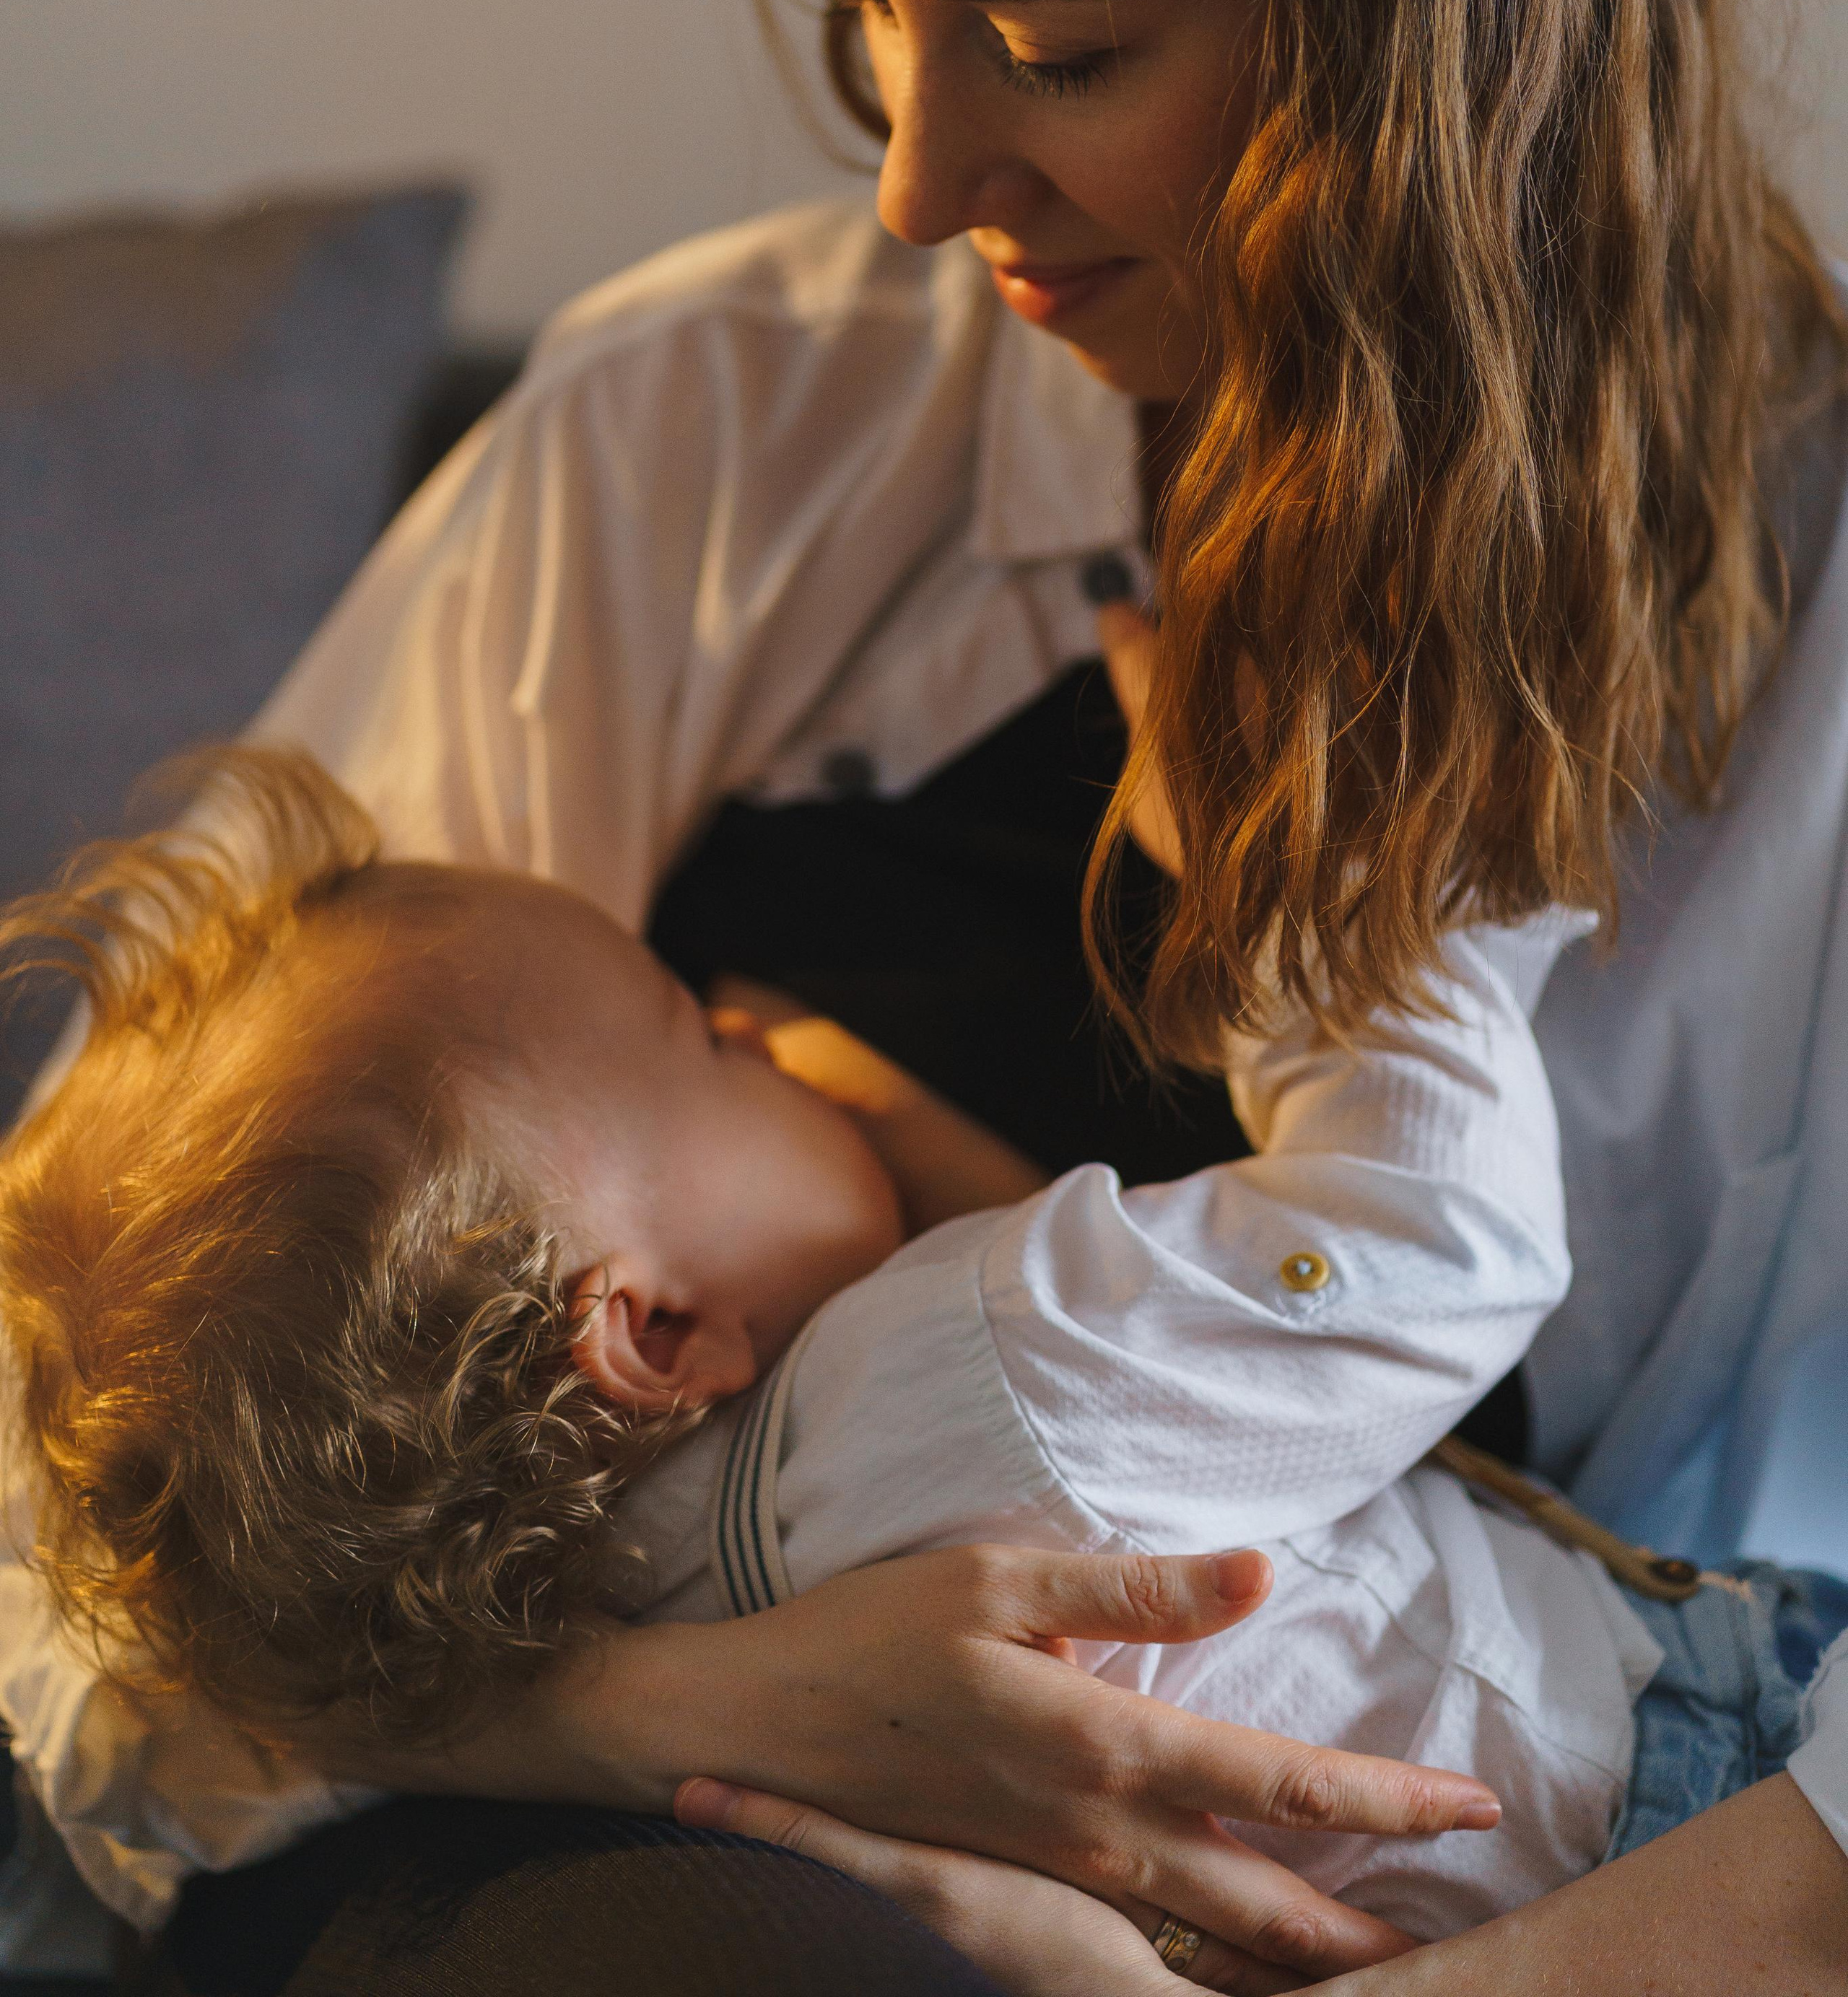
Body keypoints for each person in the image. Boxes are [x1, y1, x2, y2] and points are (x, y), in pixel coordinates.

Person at [1, 0, 1845, 1988]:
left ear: (1435, 29)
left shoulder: (1808, 668)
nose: (912, 180)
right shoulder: (713, 434)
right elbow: (115, 1461)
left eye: (1058, 48)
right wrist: (657, 1709)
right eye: (867, 0)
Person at [7, 746, 1837, 1992]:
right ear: (648, 1331)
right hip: (1689, 1770)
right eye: (689, 1038)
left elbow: (168, 1741)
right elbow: (1439, 1244)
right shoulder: (977, 1368)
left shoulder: (559, 1603)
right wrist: (1341, 891)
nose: (756, 1033)